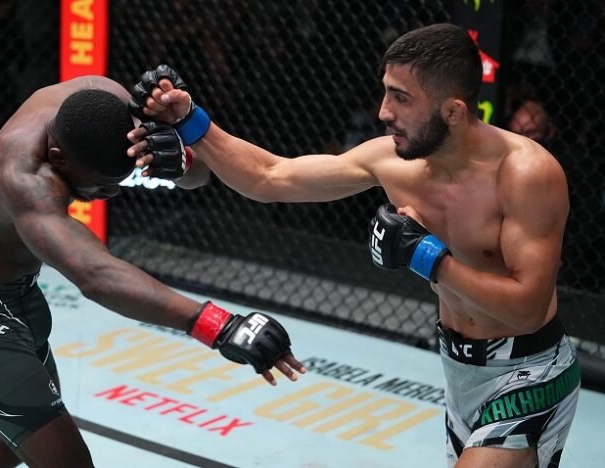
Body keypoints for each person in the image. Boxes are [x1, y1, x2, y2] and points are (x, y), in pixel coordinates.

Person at [127, 24, 580, 468]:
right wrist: (191, 121)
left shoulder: (525, 174)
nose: (383, 112)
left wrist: (428, 258)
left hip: (530, 371)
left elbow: (527, 308)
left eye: (401, 98)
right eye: (386, 93)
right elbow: (270, 177)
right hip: (458, 369)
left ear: (453, 112)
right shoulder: (391, 161)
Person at [0, 75, 305, 468]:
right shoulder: (24, 178)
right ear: (57, 158)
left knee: (19, 436)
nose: (108, 195)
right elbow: (96, 276)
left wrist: (182, 158)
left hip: (21, 299)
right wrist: (219, 325)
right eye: (100, 186)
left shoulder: (104, 99)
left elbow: (199, 176)